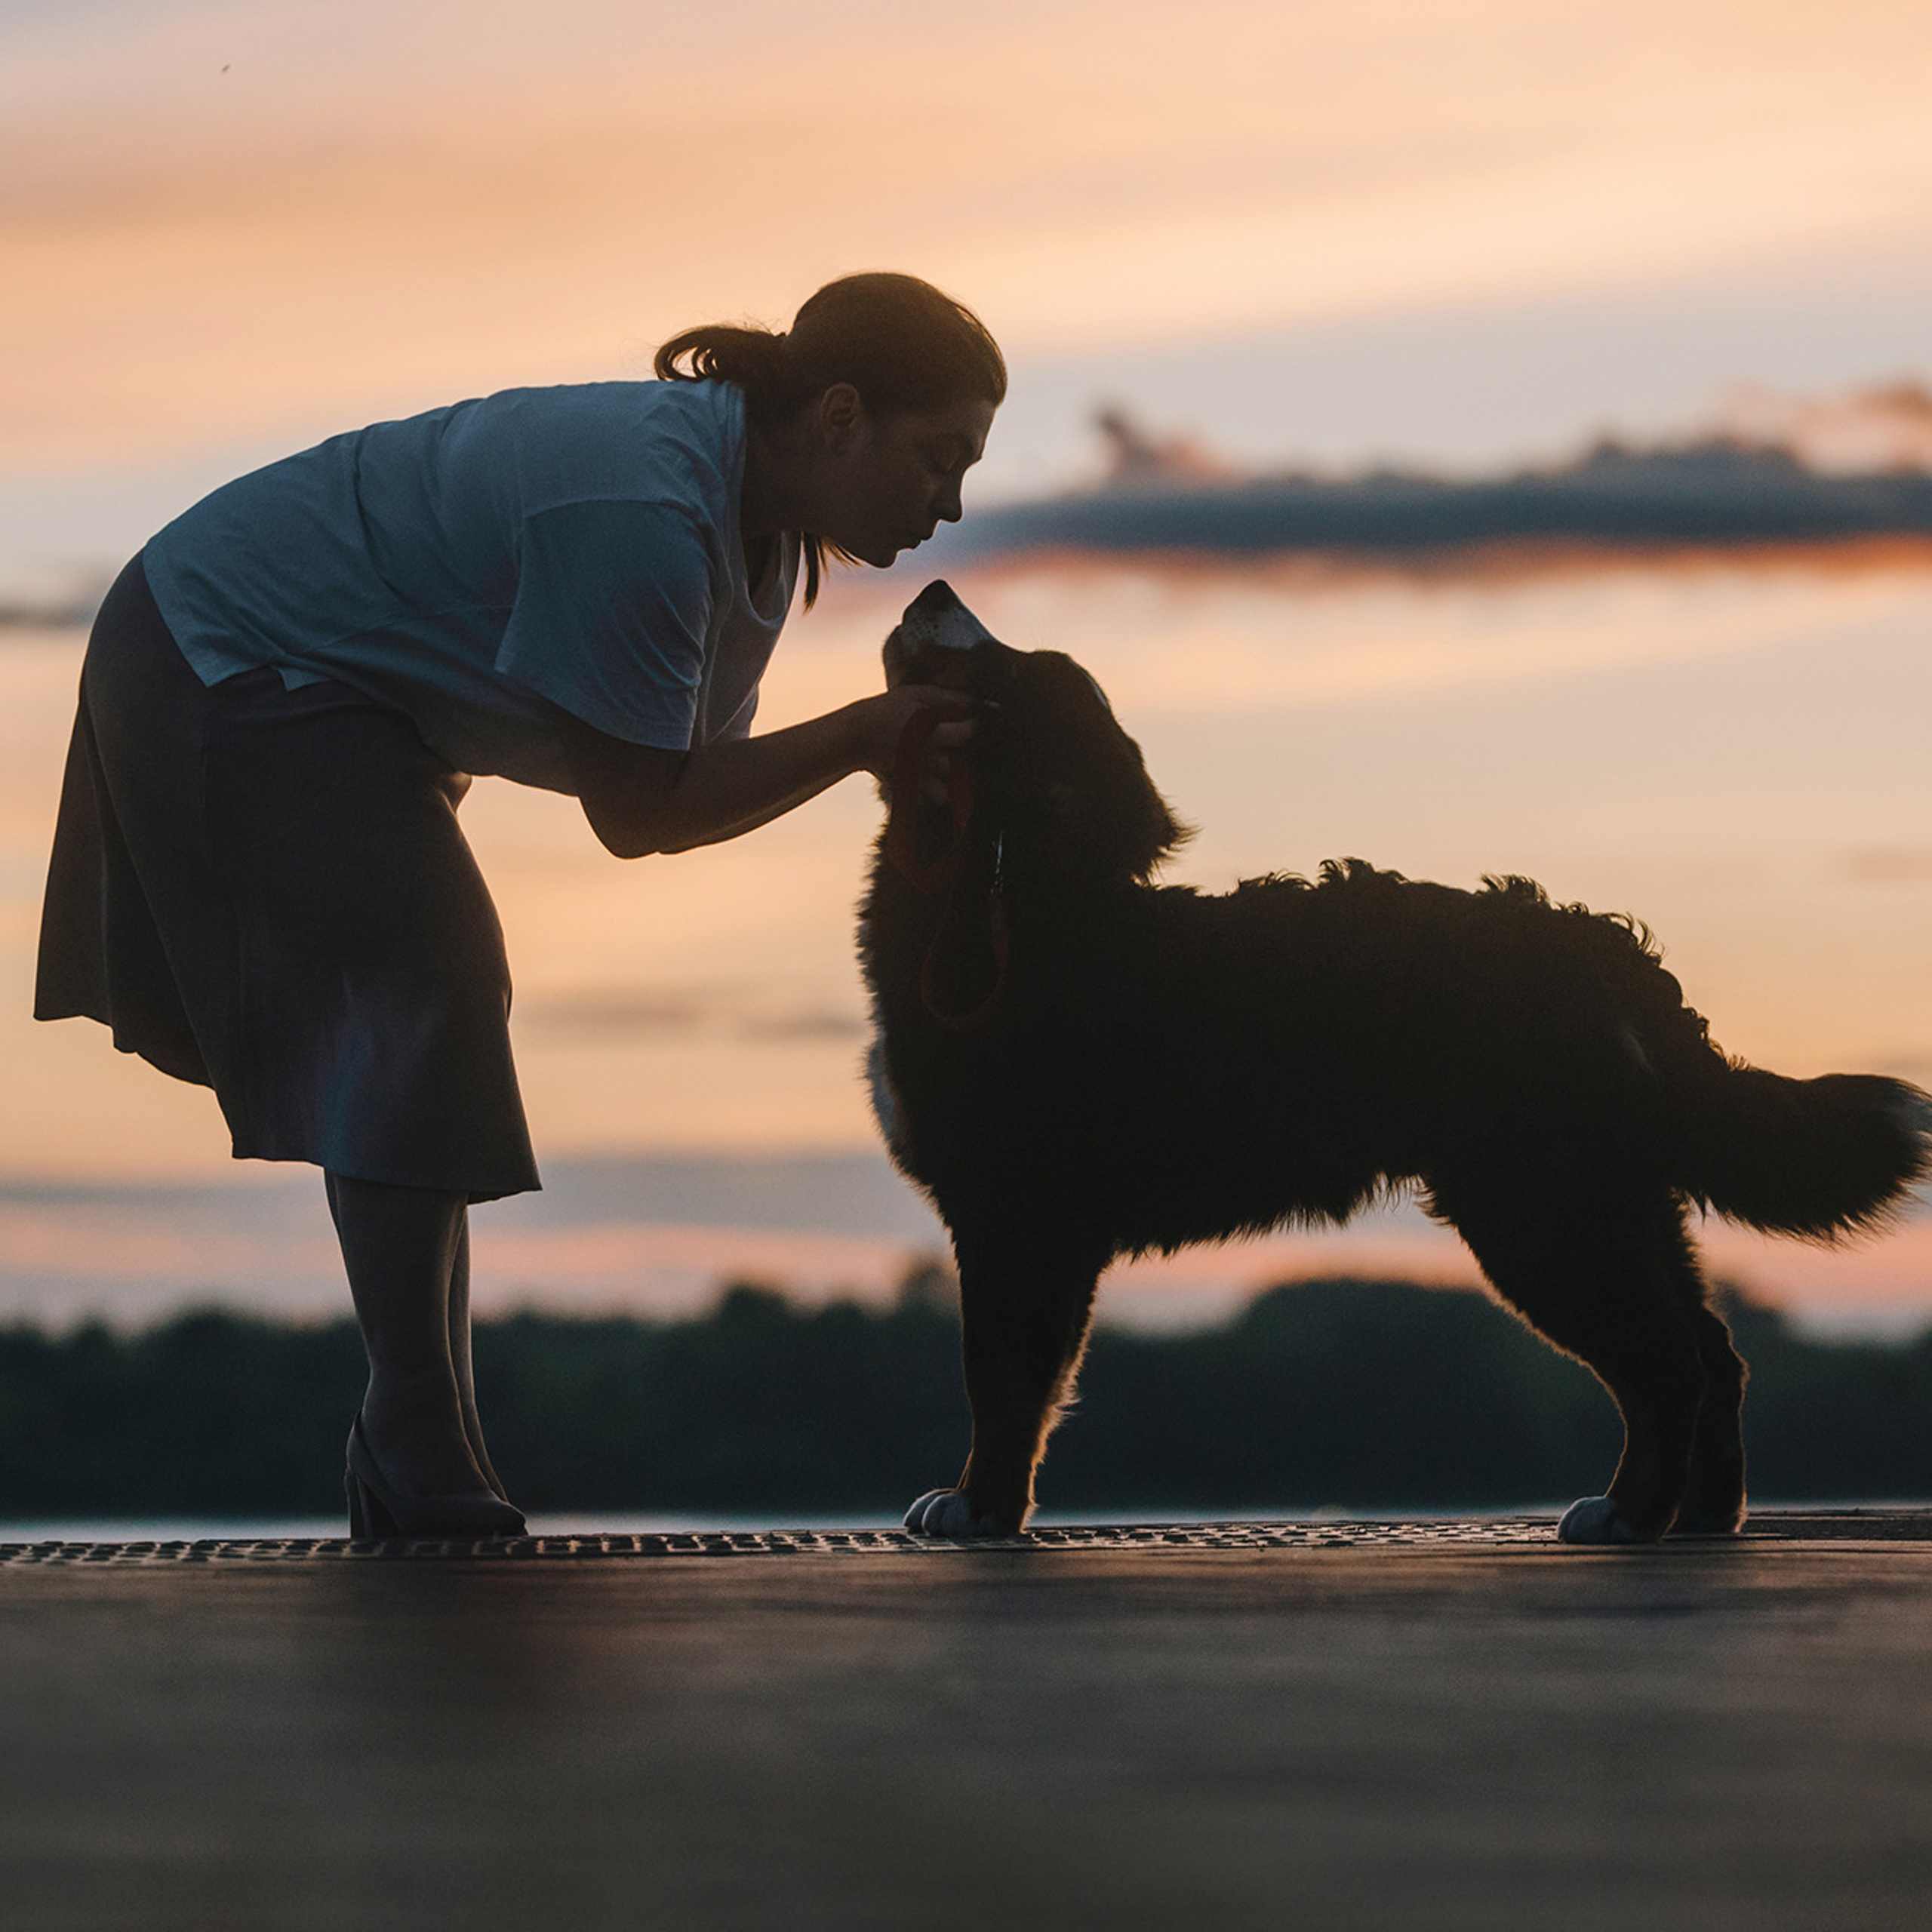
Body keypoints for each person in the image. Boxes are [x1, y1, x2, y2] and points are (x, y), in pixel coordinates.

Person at [34, 272, 1004, 1538]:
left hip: (341, 696)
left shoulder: (758, 546)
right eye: (939, 459)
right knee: (428, 983)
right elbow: (643, 810)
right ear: (837, 415)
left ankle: (423, 1446)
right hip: (223, 650)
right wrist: (871, 736)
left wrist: (870, 746)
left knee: (422, 1002)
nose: (954, 502)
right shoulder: (648, 504)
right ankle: (416, 1439)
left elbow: (677, 789)